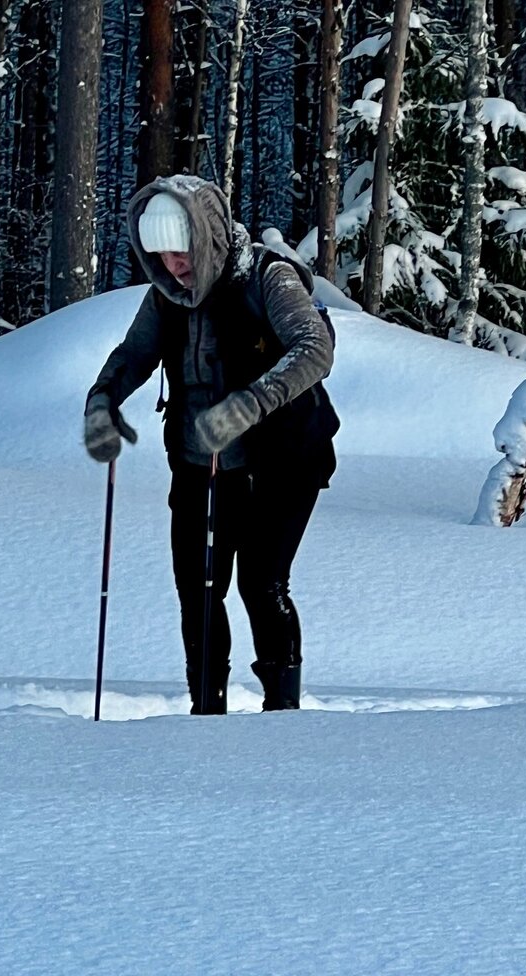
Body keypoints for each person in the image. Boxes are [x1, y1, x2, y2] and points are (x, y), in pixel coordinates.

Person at [84, 175, 338, 714]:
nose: (175, 267)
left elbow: (315, 348)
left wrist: (251, 402)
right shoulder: (168, 297)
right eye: (162, 258)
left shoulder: (267, 279)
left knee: (260, 582)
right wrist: (103, 399)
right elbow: (135, 354)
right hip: (201, 462)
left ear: (209, 236)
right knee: (197, 590)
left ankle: (282, 712)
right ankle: (207, 714)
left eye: (183, 253)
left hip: (284, 459)